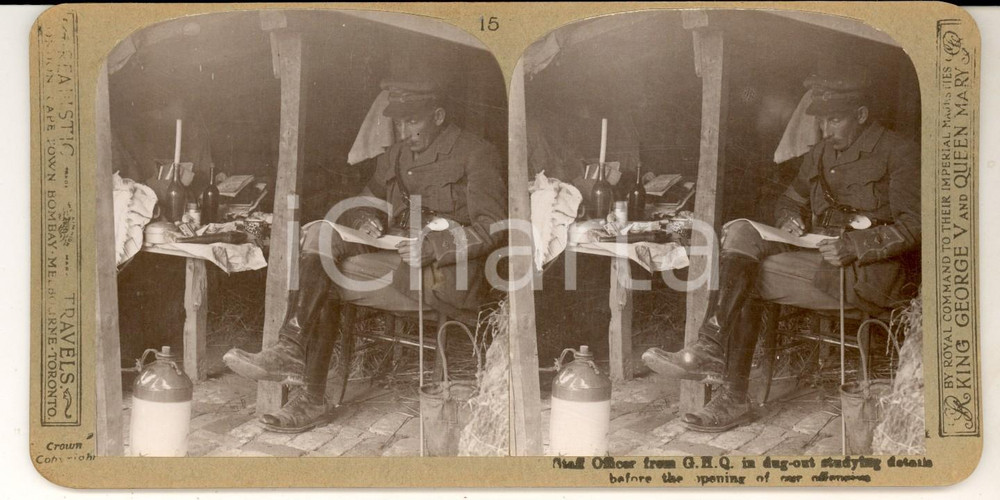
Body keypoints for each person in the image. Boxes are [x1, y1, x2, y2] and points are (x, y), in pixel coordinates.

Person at [642, 62, 921, 432]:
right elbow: (790, 198)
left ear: (862, 115)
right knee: (741, 232)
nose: (825, 130)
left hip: (865, 272)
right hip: (815, 253)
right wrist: (790, 217)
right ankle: (710, 346)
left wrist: (855, 245)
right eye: (822, 122)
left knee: (747, 276)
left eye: (835, 120)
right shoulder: (821, 152)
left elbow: (916, 225)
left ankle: (732, 393)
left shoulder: (898, 152)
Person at [223, 79, 507, 433]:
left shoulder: (476, 152)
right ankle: (291, 346)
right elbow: (366, 199)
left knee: (323, 277)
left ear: (438, 115)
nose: (405, 131)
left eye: (413, 121)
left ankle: (308, 389)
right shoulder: (397, 154)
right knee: (320, 234)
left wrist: (435, 246)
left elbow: (493, 227)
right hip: (392, 255)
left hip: (443, 273)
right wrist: (364, 217)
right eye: (399, 123)